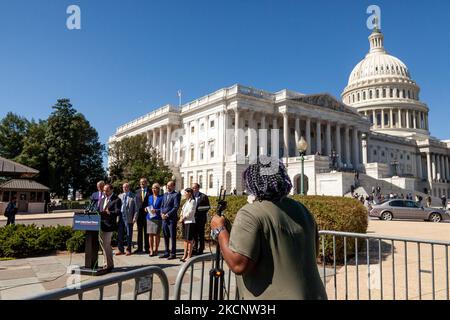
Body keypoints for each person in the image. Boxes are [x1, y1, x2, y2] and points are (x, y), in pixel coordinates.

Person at [210, 159, 327, 300]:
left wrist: (220, 230)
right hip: (316, 294)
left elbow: (238, 264)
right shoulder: (303, 210)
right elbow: (313, 252)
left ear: (252, 181)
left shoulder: (250, 213)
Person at [98, 184, 121, 271]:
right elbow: (99, 210)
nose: (105, 192)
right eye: (104, 190)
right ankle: (107, 264)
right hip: (101, 225)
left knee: (106, 245)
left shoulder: (116, 200)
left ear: (111, 190)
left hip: (109, 225)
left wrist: (110, 212)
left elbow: (118, 211)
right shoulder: (103, 199)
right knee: (104, 246)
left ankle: (108, 265)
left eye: (107, 190)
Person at [160, 181, 181, 260]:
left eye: (170, 186)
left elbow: (176, 207)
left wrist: (167, 214)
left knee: (172, 236)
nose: (168, 187)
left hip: (171, 219)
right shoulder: (165, 194)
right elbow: (162, 205)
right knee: (165, 236)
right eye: (167, 186)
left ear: (173, 186)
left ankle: (173, 253)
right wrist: (162, 214)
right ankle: (166, 252)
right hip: (164, 219)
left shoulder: (176, 195)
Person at [191, 183, 210, 255]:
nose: (193, 189)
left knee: (201, 235)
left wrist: (199, 209)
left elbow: (207, 207)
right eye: (192, 188)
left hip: (201, 219)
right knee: (194, 235)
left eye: (195, 188)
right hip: (193, 219)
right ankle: (194, 248)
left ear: (198, 188)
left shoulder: (203, 196)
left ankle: (201, 249)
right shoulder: (191, 196)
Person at [118, 182, 136, 256]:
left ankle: (128, 250)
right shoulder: (120, 196)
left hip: (129, 217)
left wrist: (134, 218)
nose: (125, 188)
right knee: (120, 234)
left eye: (126, 187)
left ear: (129, 188)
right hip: (121, 216)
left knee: (129, 234)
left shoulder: (133, 196)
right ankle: (120, 249)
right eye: (123, 187)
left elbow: (136, 209)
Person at [134, 178, 151, 254]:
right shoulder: (137, 191)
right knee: (139, 231)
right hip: (139, 214)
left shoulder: (150, 191)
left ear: (146, 183)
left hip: (147, 213)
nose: (142, 184)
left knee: (147, 232)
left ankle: (147, 248)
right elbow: (135, 203)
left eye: (144, 182)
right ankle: (139, 248)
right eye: (141, 182)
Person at [179, 188, 196, 262]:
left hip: (190, 222)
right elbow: (182, 210)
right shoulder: (186, 202)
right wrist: (181, 216)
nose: (184, 194)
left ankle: (189, 255)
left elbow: (190, 212)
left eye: (186, 193)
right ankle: (184, 254)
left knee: (189, 240)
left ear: (190, 193)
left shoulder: (193, 201)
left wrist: (183, 218)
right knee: (185, 239)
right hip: (184, 222)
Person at [146, 183, 163, 257]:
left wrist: (157, 210)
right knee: (150, 234)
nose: (154, 189)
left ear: (158, 189)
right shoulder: (149, 197)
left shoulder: (162, 197)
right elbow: (148, 205)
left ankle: (156, 249)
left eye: (155, 188)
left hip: (157, 218)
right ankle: (151, 250)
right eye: (153, 188)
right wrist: (146, 208)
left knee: (157, 235)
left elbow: (163, 208)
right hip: (149, 217)